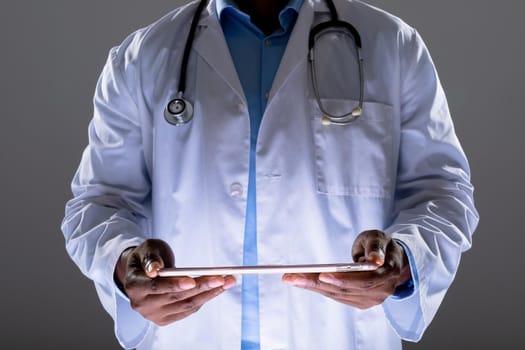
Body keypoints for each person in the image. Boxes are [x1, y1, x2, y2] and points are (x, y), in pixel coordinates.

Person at [61, 0, 479, 349]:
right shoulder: (142, 58)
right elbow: (99, 202)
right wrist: (121, 264)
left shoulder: (393, 45)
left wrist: (404, 259)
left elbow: (444, 192)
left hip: (337, 335)